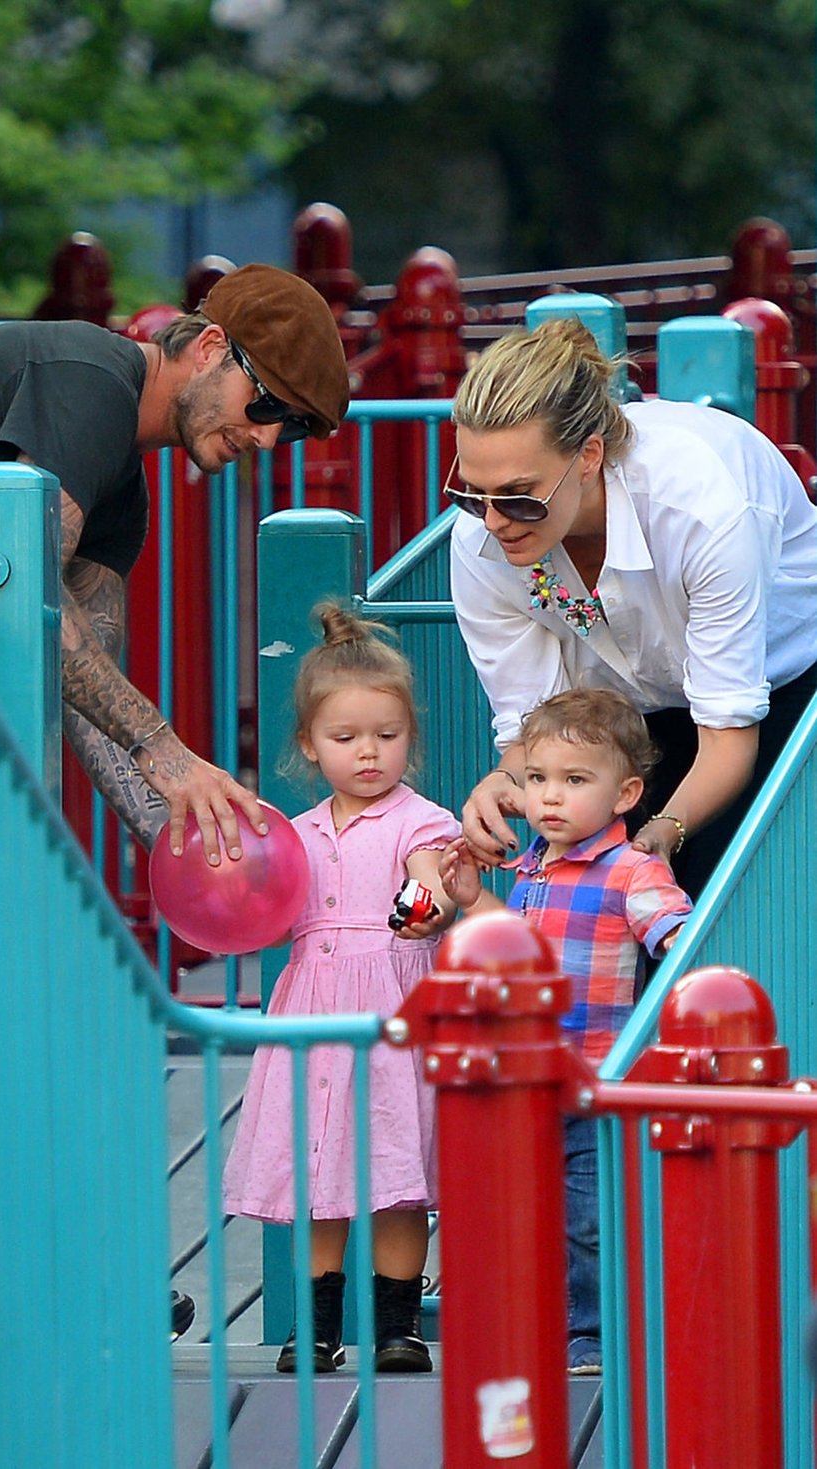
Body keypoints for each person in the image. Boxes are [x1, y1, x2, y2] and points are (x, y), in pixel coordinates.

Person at [0, 263, 351, 867]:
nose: (270, 439)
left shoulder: (118, 494)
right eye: (267, 404)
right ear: (210, 347)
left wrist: (199, 849)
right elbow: (30, 591)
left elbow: (86, 687)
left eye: (294, 428)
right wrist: (164, 748)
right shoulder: (90, 382)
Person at [447, 318, 817, 900]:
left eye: (519, 496)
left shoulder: (696, 506)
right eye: (470, 493)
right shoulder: (479, 542)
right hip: (625, 707)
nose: (493, 521)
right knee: (591, 891)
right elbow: (534, 727)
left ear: (589, 456)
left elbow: (727, 740)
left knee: (708, 893)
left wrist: (661, 835)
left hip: (781, 684)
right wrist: (500, 782)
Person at [222, 603, 460, 1374]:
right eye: (345, 737)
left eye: (387, 737)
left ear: (408, 739)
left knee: (396, 1172)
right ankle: (316, 1326)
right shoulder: (291, 834)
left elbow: (433, 881)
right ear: (307, 744)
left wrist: (427, 906)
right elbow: (262, 915)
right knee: (318, 1170)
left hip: (392, 1010)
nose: (368, 753)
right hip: (314, 1014)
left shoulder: (421, 821)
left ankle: (398, 1325)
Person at [439, 687, 693, 1375]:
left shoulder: (631, 870)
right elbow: (515, 941)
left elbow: (682, 938)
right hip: (529, 1072)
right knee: (526, 1204)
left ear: (624, 793)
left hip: (594, 1073)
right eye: (537, 779)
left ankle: (594, 1330)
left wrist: (680, 953)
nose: (549, 797)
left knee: (587, 1211)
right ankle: (536, 1318)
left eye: (575, 781)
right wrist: (472, 901)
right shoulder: (533, 869)